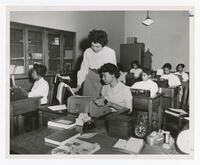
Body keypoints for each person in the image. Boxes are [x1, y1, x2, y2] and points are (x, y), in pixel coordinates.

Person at [75, 30, 117, 97]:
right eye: (92, 45)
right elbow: (83, 69)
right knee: (88, 101)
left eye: (97, 47)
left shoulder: (110, 52)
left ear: (103, 45)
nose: (94, 48)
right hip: (90, 79)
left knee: (102, 101)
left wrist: (112, 85)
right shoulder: (87, 51)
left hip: (104, 79)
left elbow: (112, 71)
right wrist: (79, 85)